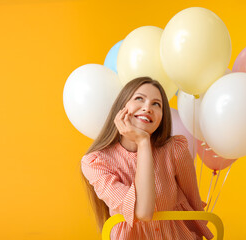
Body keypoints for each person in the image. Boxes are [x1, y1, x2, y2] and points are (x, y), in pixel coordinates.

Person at [80, 77, 214, 239]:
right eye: (139, 99)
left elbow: (194, 203)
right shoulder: (96, 162)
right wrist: (143, 142)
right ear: (122, 107)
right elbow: (143, 212)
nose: (147, 108)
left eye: (156, 104)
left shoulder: (175, 149)